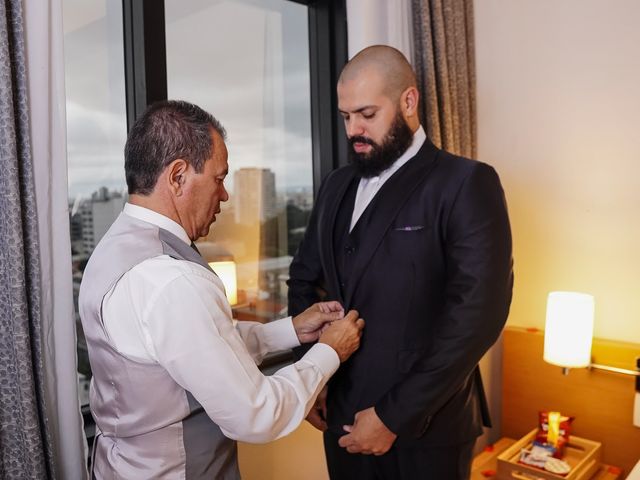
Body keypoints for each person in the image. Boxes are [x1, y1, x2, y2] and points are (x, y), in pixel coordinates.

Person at [79, 100, 365, 479]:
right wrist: (330, 352)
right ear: (178, 175)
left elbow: (192, 351)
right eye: (218, 178)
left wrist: (290, 330)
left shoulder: (113, 248)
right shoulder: (172, 281)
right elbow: (256, 415)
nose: (225, 195)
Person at [288, 45, 513, 479]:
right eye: (346, 116)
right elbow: (304, 279)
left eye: (367, 114)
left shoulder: (466, 183)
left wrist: (393, 415)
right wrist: (310, 374)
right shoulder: (335, 185)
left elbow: (477, 316)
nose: (354, 129)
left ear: (409, 101)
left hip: (426, 430)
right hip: (339, 418)